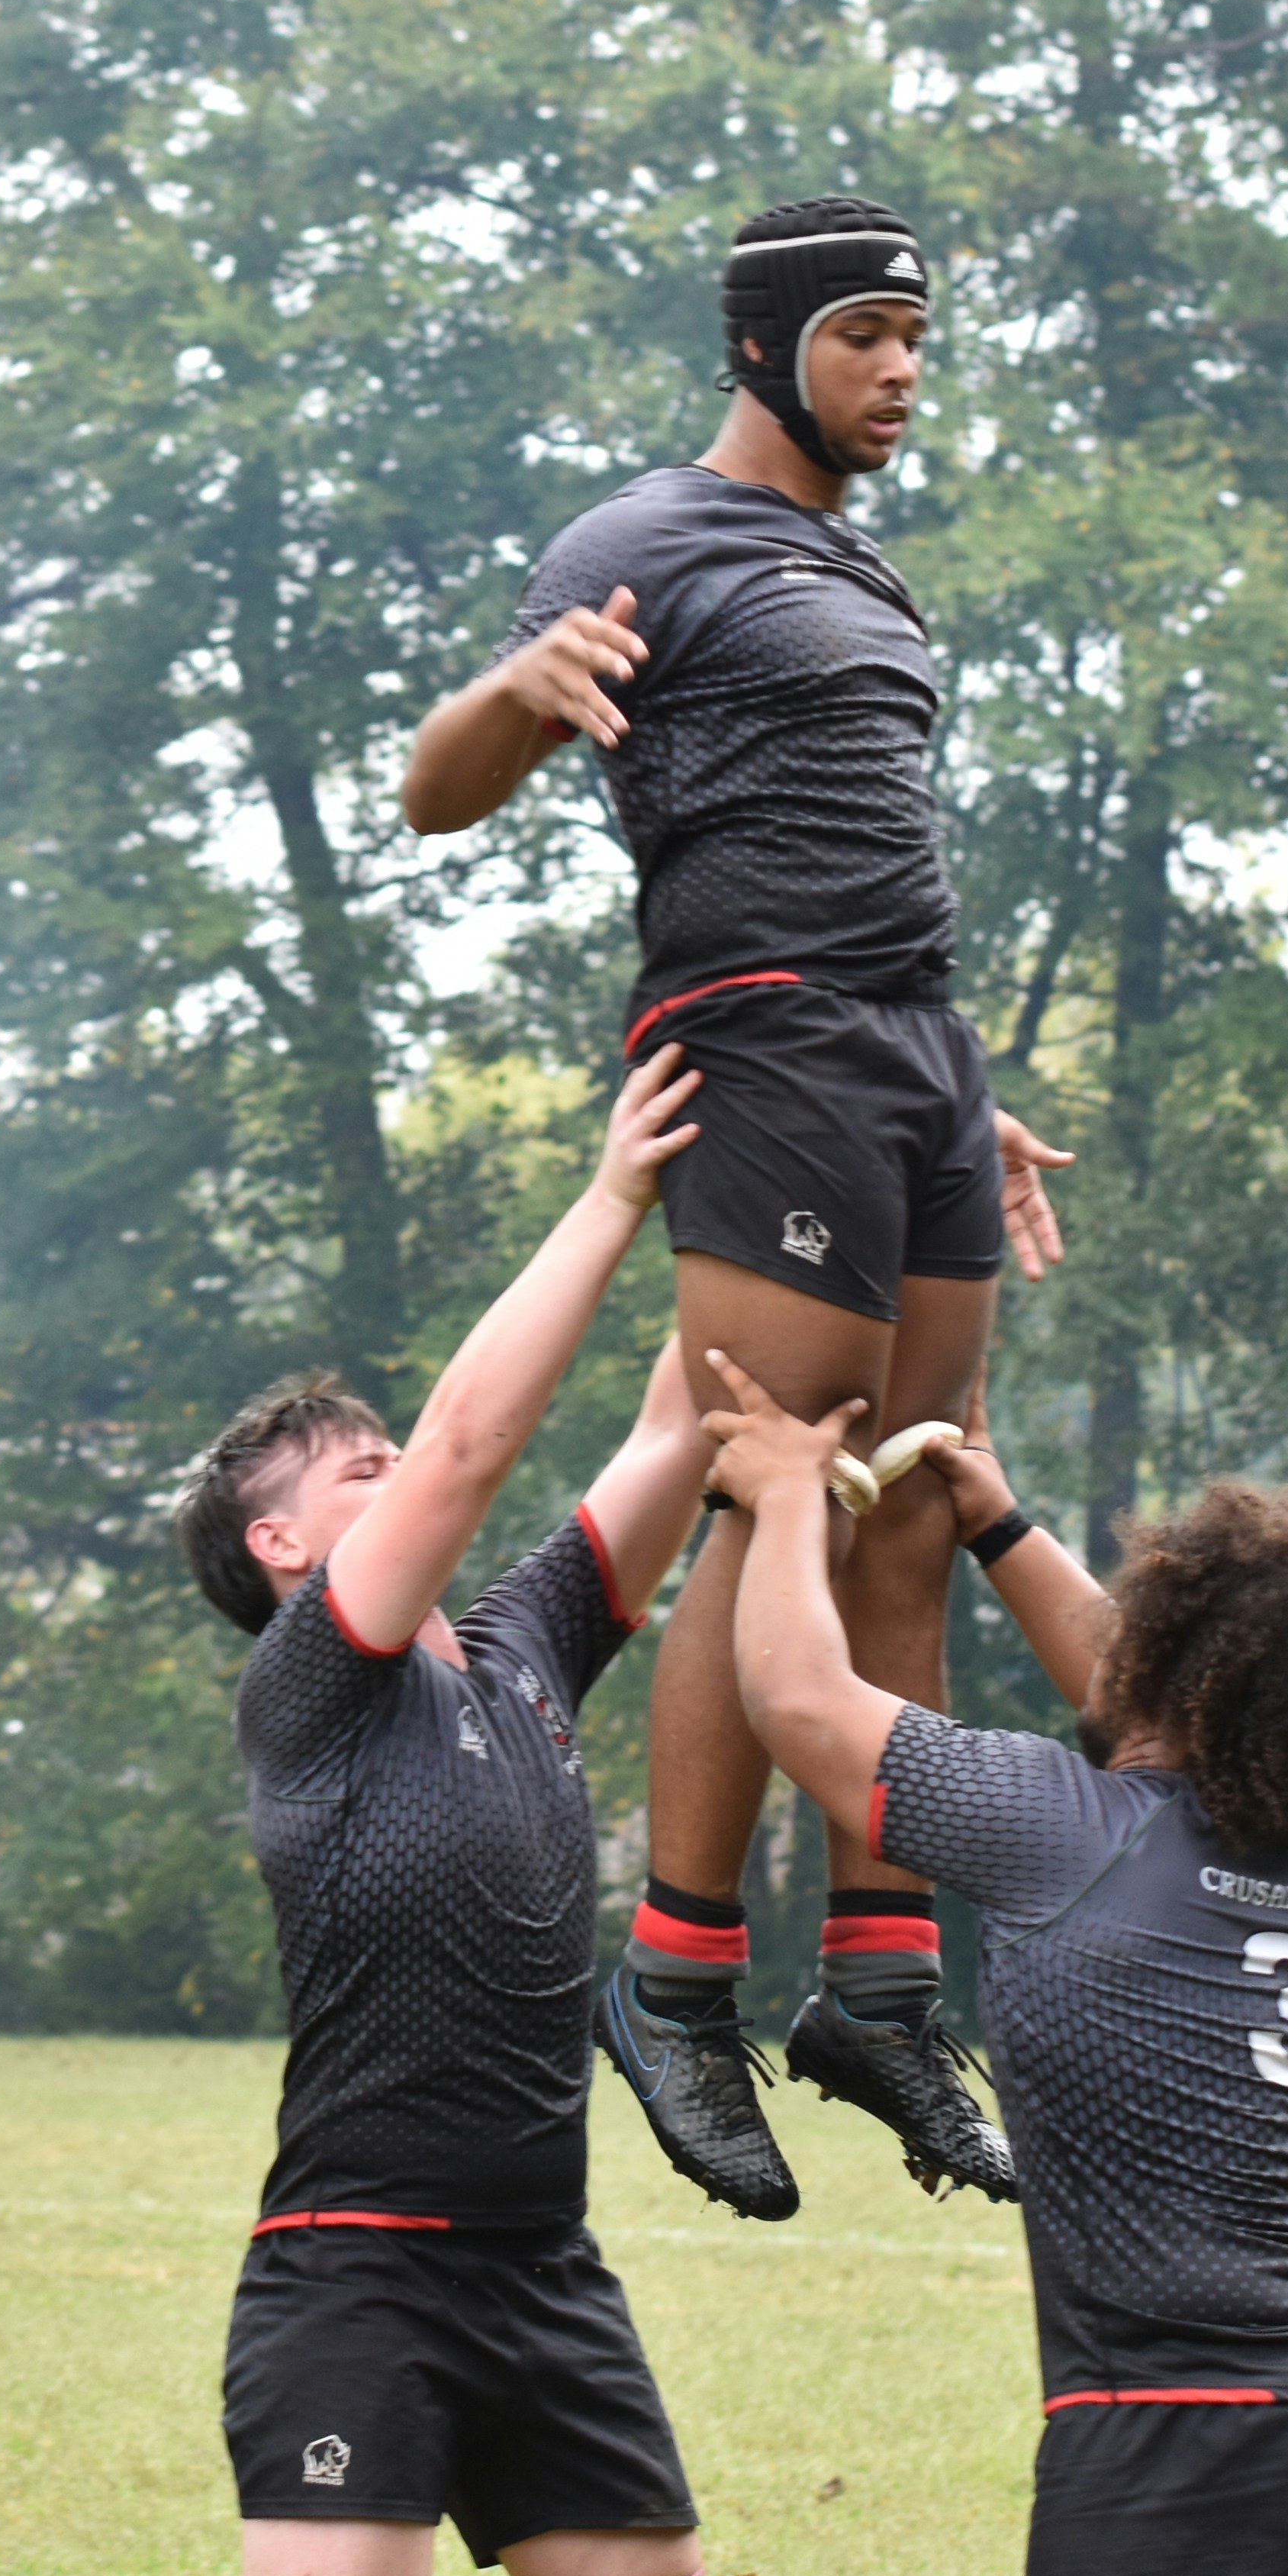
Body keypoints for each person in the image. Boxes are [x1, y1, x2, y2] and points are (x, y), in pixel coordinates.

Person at [398, 195, 1065, 2219]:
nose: (900, 375)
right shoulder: (639, 544)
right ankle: (677, 1978)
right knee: (759, 1483)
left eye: (918, 343)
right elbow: (439, 788)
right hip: (759, 1048)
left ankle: (879, 1994)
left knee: (919, 1501)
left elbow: (866, 850)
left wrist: (965, 1084)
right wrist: (522, 689)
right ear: (770, 346)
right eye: (867, 336)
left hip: (915, 1056)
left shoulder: (866, 580)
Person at [705, 1365, 1288, 2576]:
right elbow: (1133, 1686)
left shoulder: (1061, 1829)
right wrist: (995, 1522)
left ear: (1164, 1670)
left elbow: (797, 1699)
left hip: (1185, 2445)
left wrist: (782, 1498)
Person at [174, 1051, 723, 2576]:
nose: (401, 1465)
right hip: (359, 2270)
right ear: (280, 1543)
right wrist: (614, 1190)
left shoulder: (522, 1646)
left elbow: (681, 1420)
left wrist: (770, 1161)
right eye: (363, 1468)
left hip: (544, 2269)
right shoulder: (306, 1689)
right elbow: (474, 1441)